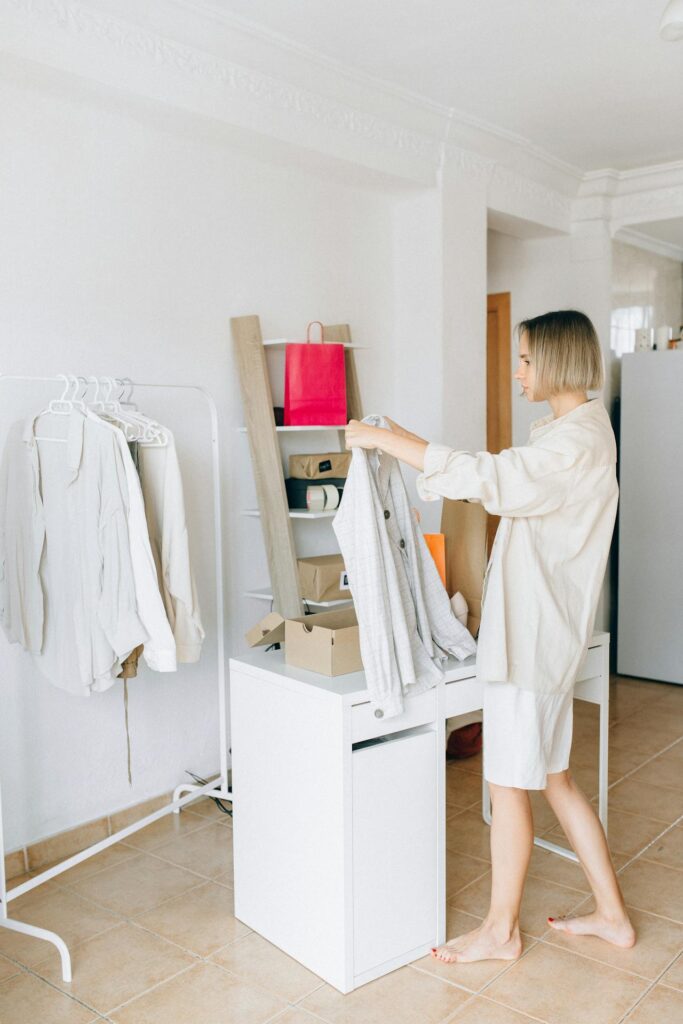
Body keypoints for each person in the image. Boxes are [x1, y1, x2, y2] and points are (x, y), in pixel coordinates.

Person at [344, 309, 635, 965]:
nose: (517, 371)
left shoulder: (574, 443)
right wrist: (409, 439)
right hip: (543, 636)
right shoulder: (571, 432)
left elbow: (496, 483)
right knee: (554, 778)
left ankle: (499, 932)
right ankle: (613, 917)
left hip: (531, 642)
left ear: (555, 360)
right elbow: (500, 473)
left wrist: (388, 445)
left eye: (525, 358)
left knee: (508, 786)